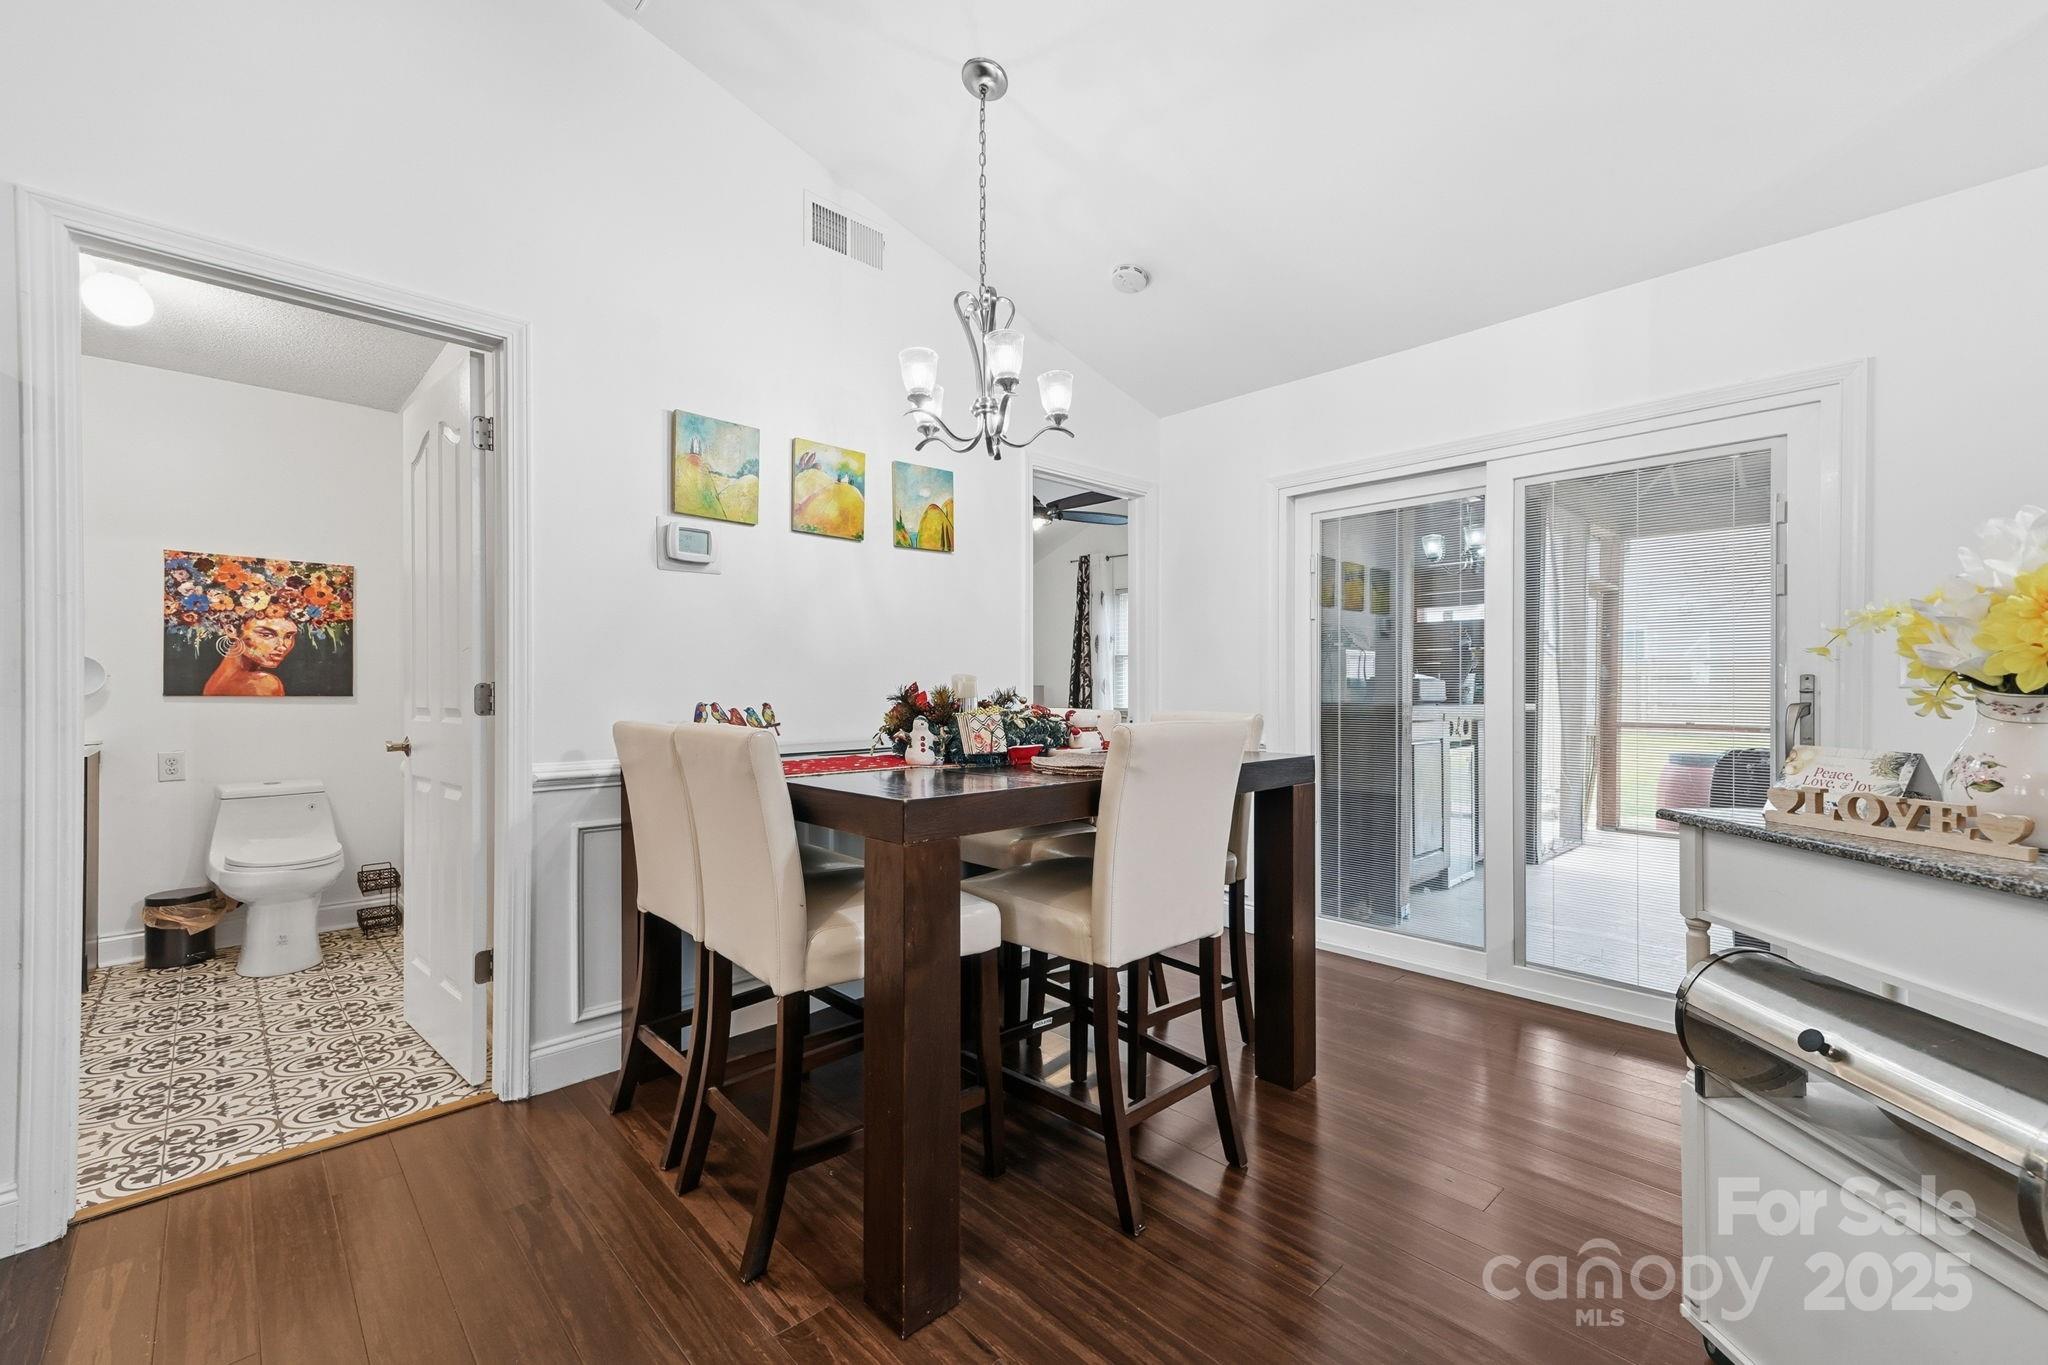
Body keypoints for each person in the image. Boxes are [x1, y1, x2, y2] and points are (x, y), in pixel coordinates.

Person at [202, 615, 299, 696]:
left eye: (288, 636)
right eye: (266, 635)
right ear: (231, 631)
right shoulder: (263, 683)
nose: (282, 647)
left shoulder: (216, 681)